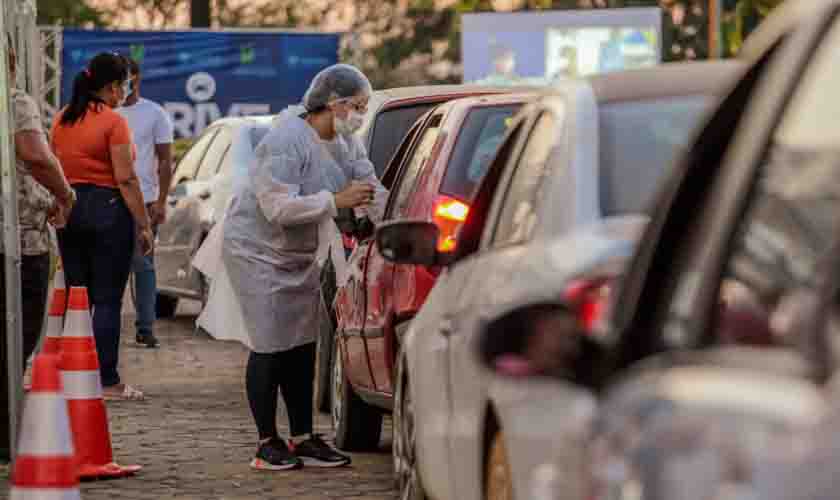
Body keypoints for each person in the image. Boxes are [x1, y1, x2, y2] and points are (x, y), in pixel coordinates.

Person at [223, 64, 387, 470]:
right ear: (334, 104)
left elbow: (369, 185)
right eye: (358, 107)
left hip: (298, 253)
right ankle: (266, 443)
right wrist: (336, 201)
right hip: (257, 251)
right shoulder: (287, 138)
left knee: (301, 345)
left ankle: (303, 437)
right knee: (270, 344)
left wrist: (394, 217)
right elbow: (276, 207)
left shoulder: (346, 142)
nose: (361, 115)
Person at [51, 53, 153, 401]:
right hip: (109, 211)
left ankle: (69, 375)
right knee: (107, 300)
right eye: (125, 84)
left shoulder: (61, 118)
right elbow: (125, 179)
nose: (126, 90)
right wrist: (144, 224)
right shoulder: (113, 122)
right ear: (111, 87)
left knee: (77, 297)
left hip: (70, 209)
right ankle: (107, 380)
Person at [0, 33, 76, 461]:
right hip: (18, 241)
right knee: (16, 343)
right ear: (10, 59)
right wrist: (65, 195)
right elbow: (37, 156)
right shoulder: (13, 100)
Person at [118, 57, 174, 348]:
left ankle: (145, 327)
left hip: (146, 200)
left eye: (128, 78)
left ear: (137, 78)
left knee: (144, 265)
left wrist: (162, 201)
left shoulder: (155, 114)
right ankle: (106, 325)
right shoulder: (105, 112)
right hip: (111, 199)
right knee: (111, 267)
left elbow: (166, 160)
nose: (125, 85)